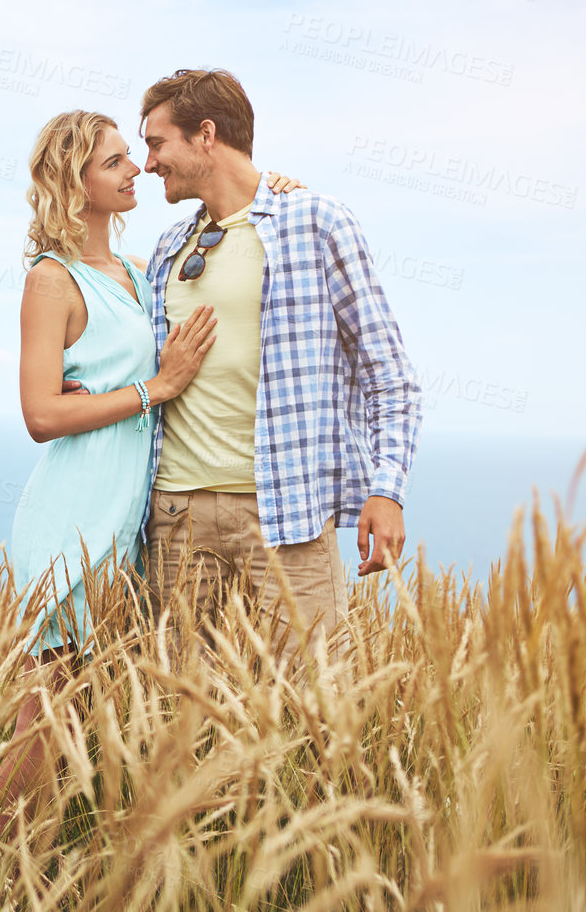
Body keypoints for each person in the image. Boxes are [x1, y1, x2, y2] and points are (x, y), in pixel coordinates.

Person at [0, 109, 300, 831]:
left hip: (131, 520)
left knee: (98, 716)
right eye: (114, 162)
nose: (137, 169)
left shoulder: (141, 271)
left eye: (134, 155)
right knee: (45, 712)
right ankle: (1, 870)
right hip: (74, 518)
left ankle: (64, 853)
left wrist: (279, 188)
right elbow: (40, 414)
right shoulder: (51, 280)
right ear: (76, 183)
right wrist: (151, 390)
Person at [134, 68, 422, 659]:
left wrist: (387, 491)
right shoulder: (167, 249)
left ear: (205, 135)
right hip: (176, 514)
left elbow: (389, 375)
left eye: (157, 143)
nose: (147, 163)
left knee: (317, 706)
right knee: (176, 714)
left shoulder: (316, 222)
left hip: (286, 513)